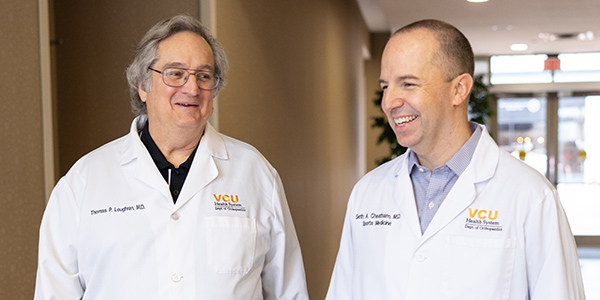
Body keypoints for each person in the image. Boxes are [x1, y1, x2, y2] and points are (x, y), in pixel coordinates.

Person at [34, 15, 309, 300]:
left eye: (204, 76)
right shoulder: (83, 182)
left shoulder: (256, 175)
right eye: (175, 73)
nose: (192, 89)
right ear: (143, 85)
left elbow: (288, 292)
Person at [326, 19, 585, 299]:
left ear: (459, 89)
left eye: (408, 84)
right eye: (386, 86)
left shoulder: (531, 196)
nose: (388, 102)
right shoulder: (368, 192)